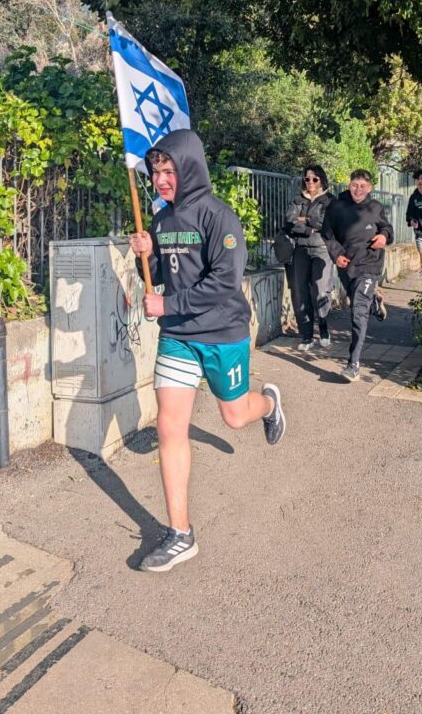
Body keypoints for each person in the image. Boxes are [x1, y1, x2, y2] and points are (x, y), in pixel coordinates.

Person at [129, 128, 286, 573]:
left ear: (189, 167)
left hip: (222, 333)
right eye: (155, 172)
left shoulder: (219, 216)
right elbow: (162, 272)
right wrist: (145, 251)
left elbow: (223, 282)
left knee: (235, 416)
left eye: (168, 171)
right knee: (169, 428)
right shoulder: (160, 220)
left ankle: (270, 403)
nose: (160, 180)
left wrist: (167, 303)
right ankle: (181, 533)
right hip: (177, 335)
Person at [321, 169, 393, 382]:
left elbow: (387, 228)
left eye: (363, 186)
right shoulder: (336, 206)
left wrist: (383, 236)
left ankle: (353, 364)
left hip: (370, 264)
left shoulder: (375, 207)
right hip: (347, 265)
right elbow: (327, 234)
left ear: (370, 188)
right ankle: (373, 301)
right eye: (354, 185)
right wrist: (336, 255)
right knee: (358, 301)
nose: (358, 190)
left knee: (357, 311)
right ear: (349, 184)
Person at [284, 164, 335, 351]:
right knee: (300, 292)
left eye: (314, 179)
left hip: (322, 249)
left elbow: (325, 222)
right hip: (300, 250)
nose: (311, 182)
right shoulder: (297, 199)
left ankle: (323, 327)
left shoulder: (329, 200)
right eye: (307, 179)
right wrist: (308, 227)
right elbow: (289, 221)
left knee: (321, 291)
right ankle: (306, 336)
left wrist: (304, 219)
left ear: (321, 179)